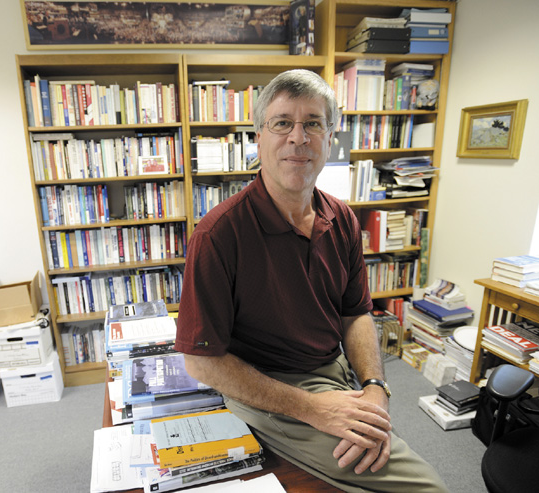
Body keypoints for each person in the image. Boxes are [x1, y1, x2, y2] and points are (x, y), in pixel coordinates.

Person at [175, 69, 449, 492]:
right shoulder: (218, 235)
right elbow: (201, 360)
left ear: (330, 136)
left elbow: (355, 312)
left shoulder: (341, 218)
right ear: (258, 137)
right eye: (282, 122)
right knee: (427, 487)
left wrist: (375, 386)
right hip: (270, 386)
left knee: (374, 446)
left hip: (333, 370)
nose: (298, 138)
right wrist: (315, 409)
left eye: (313, 123)